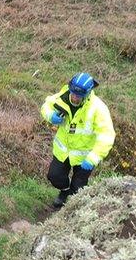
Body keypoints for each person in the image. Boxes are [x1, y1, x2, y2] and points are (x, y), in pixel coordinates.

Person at [40, 72, 116, 208]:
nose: (74, 98)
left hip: (84, 156)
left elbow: (107, 136)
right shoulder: (63, 97)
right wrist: (50, 115)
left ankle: (71, 212)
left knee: (79, 188)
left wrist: (93, 158)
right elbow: (46, 106)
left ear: (87, 94)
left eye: (78, 96)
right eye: (73, 93)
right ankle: (64, 191)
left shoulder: (98, 109)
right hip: (63, 151)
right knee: (54, 176)